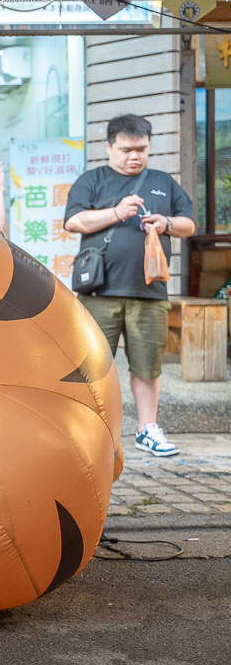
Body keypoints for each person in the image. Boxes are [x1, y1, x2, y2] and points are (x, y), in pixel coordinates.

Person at [64, 114, 195, 457]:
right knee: (91, 365)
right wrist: (118, 212)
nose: (134, 156)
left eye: (142, 149)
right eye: (126, 150)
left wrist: (166, 222)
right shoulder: (92, 180)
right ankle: (88, 430)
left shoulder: (163, 182)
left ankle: (146, 429)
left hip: (149, 292)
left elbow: (189, 224)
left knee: (148, 366)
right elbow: (74, 221)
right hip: (99, 294)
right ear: (109, 148)